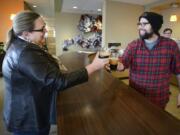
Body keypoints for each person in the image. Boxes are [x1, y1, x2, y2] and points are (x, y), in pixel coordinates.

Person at [2, 11, 108, 135]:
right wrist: (93, 66)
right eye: (42, 29)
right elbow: (58, 81)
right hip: (28, 119)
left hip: (24, 112)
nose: (46, 31)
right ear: (26, 34)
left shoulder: (21, 46)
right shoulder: (26, 53)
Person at [114, 12, 180, 109]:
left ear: (155, 25)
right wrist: (118, 65)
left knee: (156, 122)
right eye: (139, 24)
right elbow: (123, 62)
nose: (140, 27)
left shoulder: (171, 45)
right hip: (136, 96)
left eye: (145, 24)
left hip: (159, 98)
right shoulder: (133, 45)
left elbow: (178, 71)